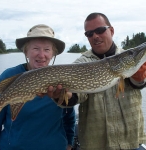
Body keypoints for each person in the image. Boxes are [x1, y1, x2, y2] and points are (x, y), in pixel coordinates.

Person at [47, 13, 146, 150]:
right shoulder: (81, 63)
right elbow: (76, 95)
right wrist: (62, 96)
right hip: (96, 145)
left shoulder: (126, 56)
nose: (95, 36)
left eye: (100, 30)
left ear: (111, 30)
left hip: (131, 142)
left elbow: (138, 84)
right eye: (89, 33)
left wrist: (139, 78)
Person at [0, 24, 76, 150]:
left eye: (47, 49)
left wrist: (70, 143)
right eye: (36, 48)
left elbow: (69, 115)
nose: (41, 55)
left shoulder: (61, 77)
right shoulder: (9, 76)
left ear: (53, 54)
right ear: (26, 52)